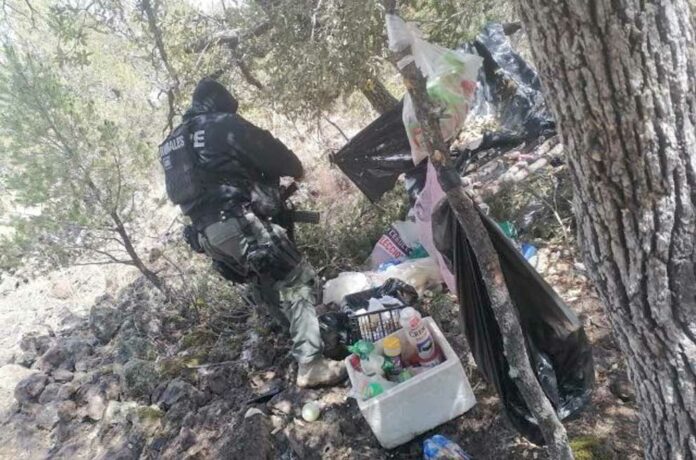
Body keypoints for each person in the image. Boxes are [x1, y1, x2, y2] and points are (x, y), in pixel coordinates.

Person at [160, 78, 346, 388]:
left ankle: (306, 341)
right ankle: (311, 363)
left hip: (206, 235)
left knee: (264, 278)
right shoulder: (221, 125)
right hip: (237, 221)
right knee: (296, 278)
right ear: (221, 103)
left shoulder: (174, 141)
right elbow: (284, 161)